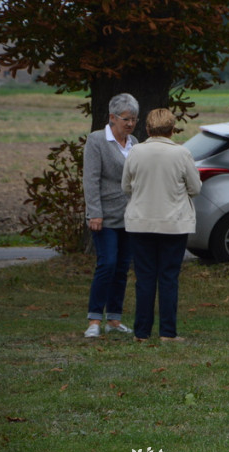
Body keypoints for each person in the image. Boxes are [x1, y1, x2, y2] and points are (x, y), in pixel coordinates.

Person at [122, 108, 201, 342]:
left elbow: (126, 186)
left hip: (140, 221)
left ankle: (141, 332)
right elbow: (196, 188)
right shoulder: (182, 153)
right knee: (168, 278)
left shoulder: (136, 151)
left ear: (147, 128)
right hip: (173, 223)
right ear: (172, 129)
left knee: (144, 278)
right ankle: (167, 332)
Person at [82, 93, 140, 338]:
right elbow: (91, 179)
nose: (130, 124)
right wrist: (94, 213)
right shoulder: (97, 140)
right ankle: (94, 319)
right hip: (104, 216)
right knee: (107, 263)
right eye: (126, 119)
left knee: (122, 267)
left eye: (134, 119)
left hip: (130, 216)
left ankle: (114, 319)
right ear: (112, 118)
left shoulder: (135, 142)